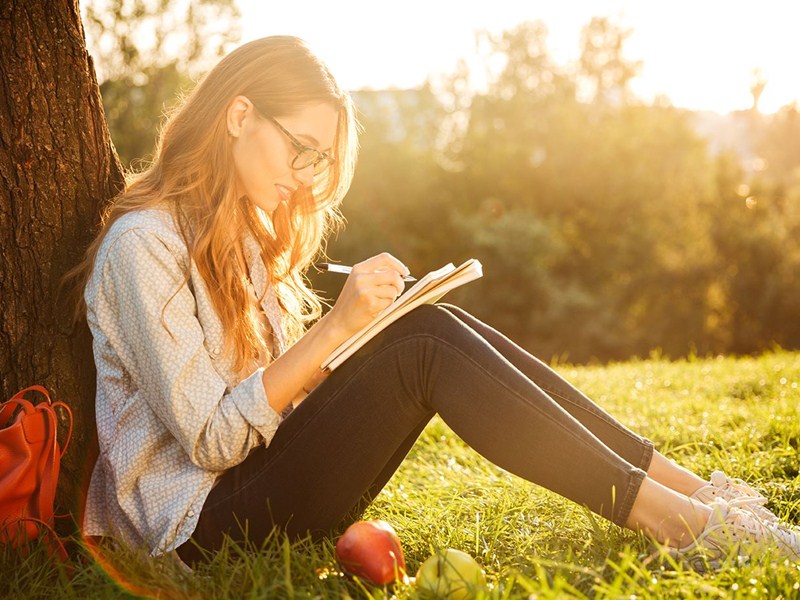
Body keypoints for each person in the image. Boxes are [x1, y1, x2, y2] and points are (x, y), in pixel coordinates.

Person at [72, 36, 799, 571]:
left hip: (254, 486)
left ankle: (701, 496)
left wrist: (347, 350)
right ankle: (680, 525)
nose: (308, 176)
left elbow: (271, 410)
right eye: (302, 149)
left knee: (426, 323)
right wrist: (334, 330)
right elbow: (212, 440)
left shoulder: (237, 238)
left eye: (321, 160)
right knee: (420, 345)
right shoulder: (144, 246)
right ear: (238, 117)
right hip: (196, 531)